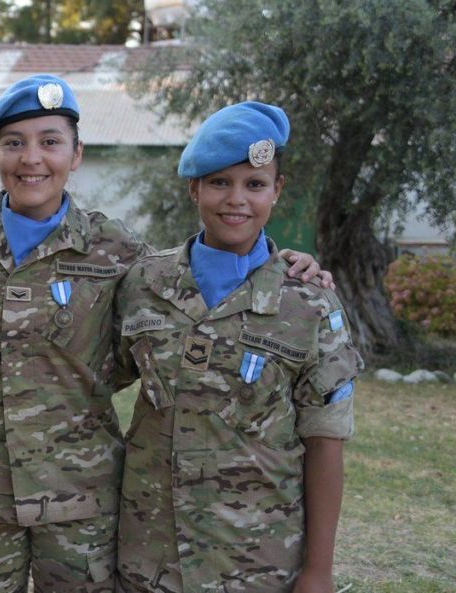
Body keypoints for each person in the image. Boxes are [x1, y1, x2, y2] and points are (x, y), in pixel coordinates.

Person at [0, 78, 333, 593]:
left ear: (77, 154)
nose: (32, 158)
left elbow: (159, 319)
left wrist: (286, 265)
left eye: (50, 142)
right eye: (14, 143)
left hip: (81, 497)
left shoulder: (118, 252)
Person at [113, 102, 362, 593]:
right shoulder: (143, 284)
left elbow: (325, 442)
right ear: (194, 188)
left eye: (255, 184)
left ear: (277, 190)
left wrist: (318, 571)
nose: (236, 200)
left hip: (256, 564)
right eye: (220, 182)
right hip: (149, 558)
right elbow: (96, 377)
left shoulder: (309, 304)